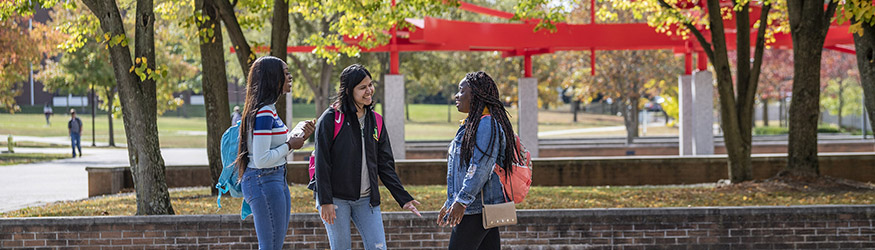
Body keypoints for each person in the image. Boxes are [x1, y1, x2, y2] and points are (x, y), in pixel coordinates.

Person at [312, 64, 421, 250]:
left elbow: (385, 165)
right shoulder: (330, 119)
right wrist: (325, 201)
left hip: (367, 200)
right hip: (336, 199)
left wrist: (403, 198)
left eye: (370, 85)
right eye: (362, 87)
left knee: (378, 247)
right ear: (348, 91)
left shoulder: (376, 120)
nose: (369, 90)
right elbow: (322, 163)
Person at [234, 56, 315, 250]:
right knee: (270, 246)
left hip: (275, 178)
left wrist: (298, 131)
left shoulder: (269, 109)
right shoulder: (263, 113)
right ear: (273, 78)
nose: (290, 76)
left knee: (274, 245)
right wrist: (290, 146)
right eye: (285, 73)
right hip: (264, 180)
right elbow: (261, 159)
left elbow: (279, 142)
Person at [437, 71, 522, 250]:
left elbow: (480, 168)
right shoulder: (472, 124)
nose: (457, 96)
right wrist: (451, 201)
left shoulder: (486, 125)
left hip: (475, 208)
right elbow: (461, 171)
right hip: (477, 207)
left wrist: (461, 202)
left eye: (461, 91)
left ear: (475, 95)